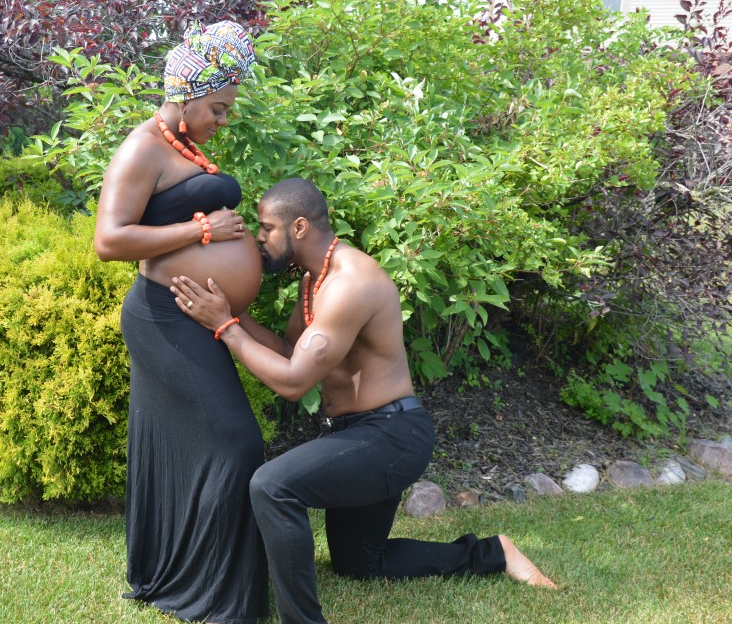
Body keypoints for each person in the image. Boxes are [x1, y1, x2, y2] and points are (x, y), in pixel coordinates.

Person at [171, 178, 557, 624]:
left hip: (393, 435)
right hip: (359, 435)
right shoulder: (314, 281)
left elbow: (294, 383)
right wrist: (231, 314)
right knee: (359, 563)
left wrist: (226, 328)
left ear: (299, 227)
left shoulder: (351, 284)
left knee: (272, 486)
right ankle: (494, 553)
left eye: (267, 227)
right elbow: (290, 352)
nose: (260, 237)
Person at [94, 20, 269, 623]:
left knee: (194, 442)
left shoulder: (180, 147)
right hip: (162, 318)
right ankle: (214, 593)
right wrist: (202, 230)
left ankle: (176, 574)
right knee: (237, 442)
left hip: (191, 314)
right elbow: (110, 240)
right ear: (187, 95)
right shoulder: (142, 148)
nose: (223, 120)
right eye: (218, 108)